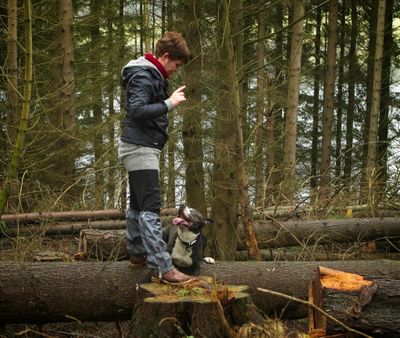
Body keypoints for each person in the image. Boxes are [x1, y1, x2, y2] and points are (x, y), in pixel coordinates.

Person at [118, 32, 191, 284]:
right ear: (166, 56)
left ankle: (137, 254)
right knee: (150, 209)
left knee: (138, 205)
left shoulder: (150, 74)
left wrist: (166, 101)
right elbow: (136, 110)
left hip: (140, 146)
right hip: (140, 148)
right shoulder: (143, 74)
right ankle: (164, 268)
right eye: (176, 65)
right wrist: (169, 103)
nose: (175, 71)